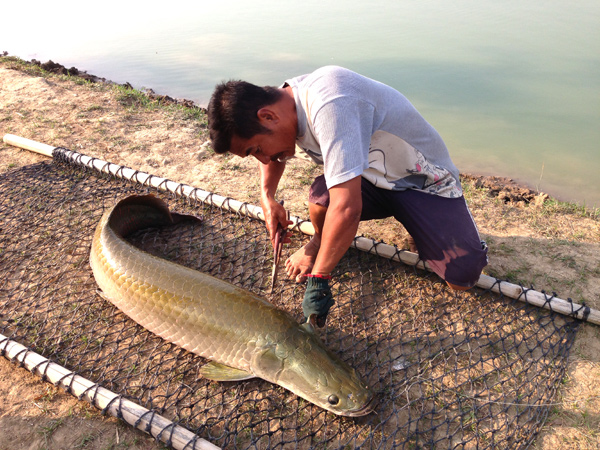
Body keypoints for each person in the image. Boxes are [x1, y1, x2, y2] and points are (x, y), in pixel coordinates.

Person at [207, 66, 488, 327]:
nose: (264, 159)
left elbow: (348, 208)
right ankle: (320, 240)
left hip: (423, 183)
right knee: (321, 199)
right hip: (369, 178)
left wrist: (320, 278)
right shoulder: (282, 103)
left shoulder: (330, 104)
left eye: (257, 149)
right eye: (254, 154)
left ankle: (427, 224)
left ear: (267, 116)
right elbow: (274, 155)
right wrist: (267, 197)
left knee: (463, 276)